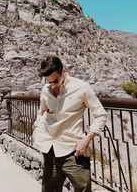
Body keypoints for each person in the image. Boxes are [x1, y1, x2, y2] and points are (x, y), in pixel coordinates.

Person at [33, 55, 107, 192]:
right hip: (49, 151)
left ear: (63, 71)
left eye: (55, 80)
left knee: (83, 189)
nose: (53, 85)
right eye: (49, 82)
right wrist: (37, 129)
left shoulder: (82, 88)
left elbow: (101, 115)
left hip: (73, 152)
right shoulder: (45, 90)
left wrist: (87, 139)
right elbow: (41, 112)